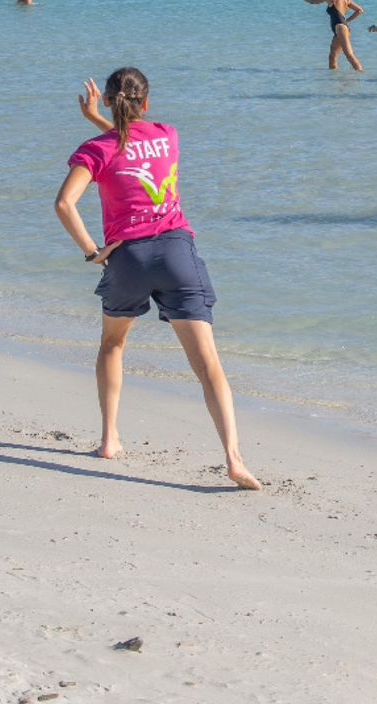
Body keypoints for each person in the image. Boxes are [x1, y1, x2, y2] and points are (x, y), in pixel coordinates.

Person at [52, 67, 260, 489]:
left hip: (126, 259)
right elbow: (135, 141)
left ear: (109, 101)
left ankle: (110, 439)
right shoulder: (168, 134)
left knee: (113, 344)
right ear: (146, 102)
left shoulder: (95, 150)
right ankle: (234, 459)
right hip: (176, 254)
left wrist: (93, 252)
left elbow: (64, 204)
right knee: (207, 366)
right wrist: (102, 119)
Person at [300, 0, 364, 71]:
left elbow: (314, 1)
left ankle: (361, 75)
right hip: (340, 28)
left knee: (349, 55)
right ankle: (333, 82)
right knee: (332, 57)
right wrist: (347, 21)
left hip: (340, 28)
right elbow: (359, 10)